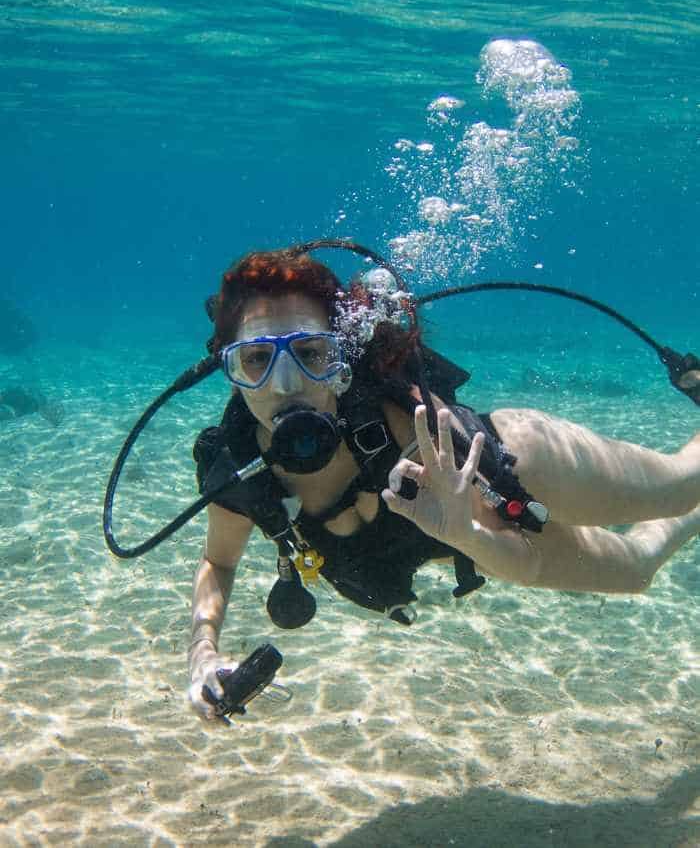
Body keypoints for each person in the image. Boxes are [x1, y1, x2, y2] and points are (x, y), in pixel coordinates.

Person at [187, 248, 700, 721]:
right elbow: (219, 561)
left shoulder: (411, 427)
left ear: (340, 357)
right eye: (255, 359)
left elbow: (525, 555)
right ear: (229, 370)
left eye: (310, 352)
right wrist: (202, 656)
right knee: (636, 571)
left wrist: (472, 531)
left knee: (681, 486)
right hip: (471, 534)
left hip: (520, 465)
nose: (285, 384)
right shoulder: (241, 470)